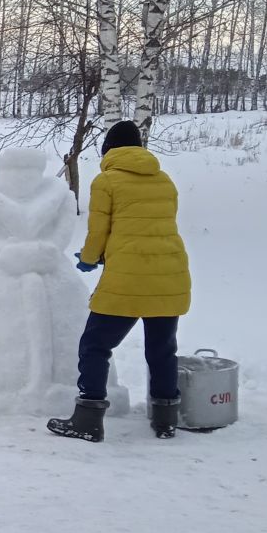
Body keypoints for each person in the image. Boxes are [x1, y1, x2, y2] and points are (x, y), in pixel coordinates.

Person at [48, 118, 191, 443]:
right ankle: (165, 420)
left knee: (95, 346)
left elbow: (99, 231)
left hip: (128, 278)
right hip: (170, 276)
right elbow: (151, 226)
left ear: (108, 149)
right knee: (162, 350)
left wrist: (89, 258)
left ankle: (87, 419)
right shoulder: (164, 180)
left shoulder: (106, 181)